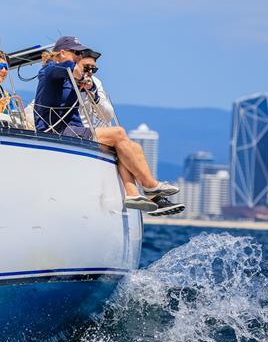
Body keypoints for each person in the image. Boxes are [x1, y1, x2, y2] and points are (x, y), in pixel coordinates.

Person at [35, 36, 183, 215]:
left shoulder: (73, 77)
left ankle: (133, 194)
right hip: (55, 131)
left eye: (80, 53)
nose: (79, 56)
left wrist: (88, 86)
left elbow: (96, 110)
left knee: (132, 147)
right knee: (119, 133)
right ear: (63, 52)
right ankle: (150, 186)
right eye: (76, 53)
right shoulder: (49, 70)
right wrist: (77, 71)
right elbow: (63, 69)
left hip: (72, 129)